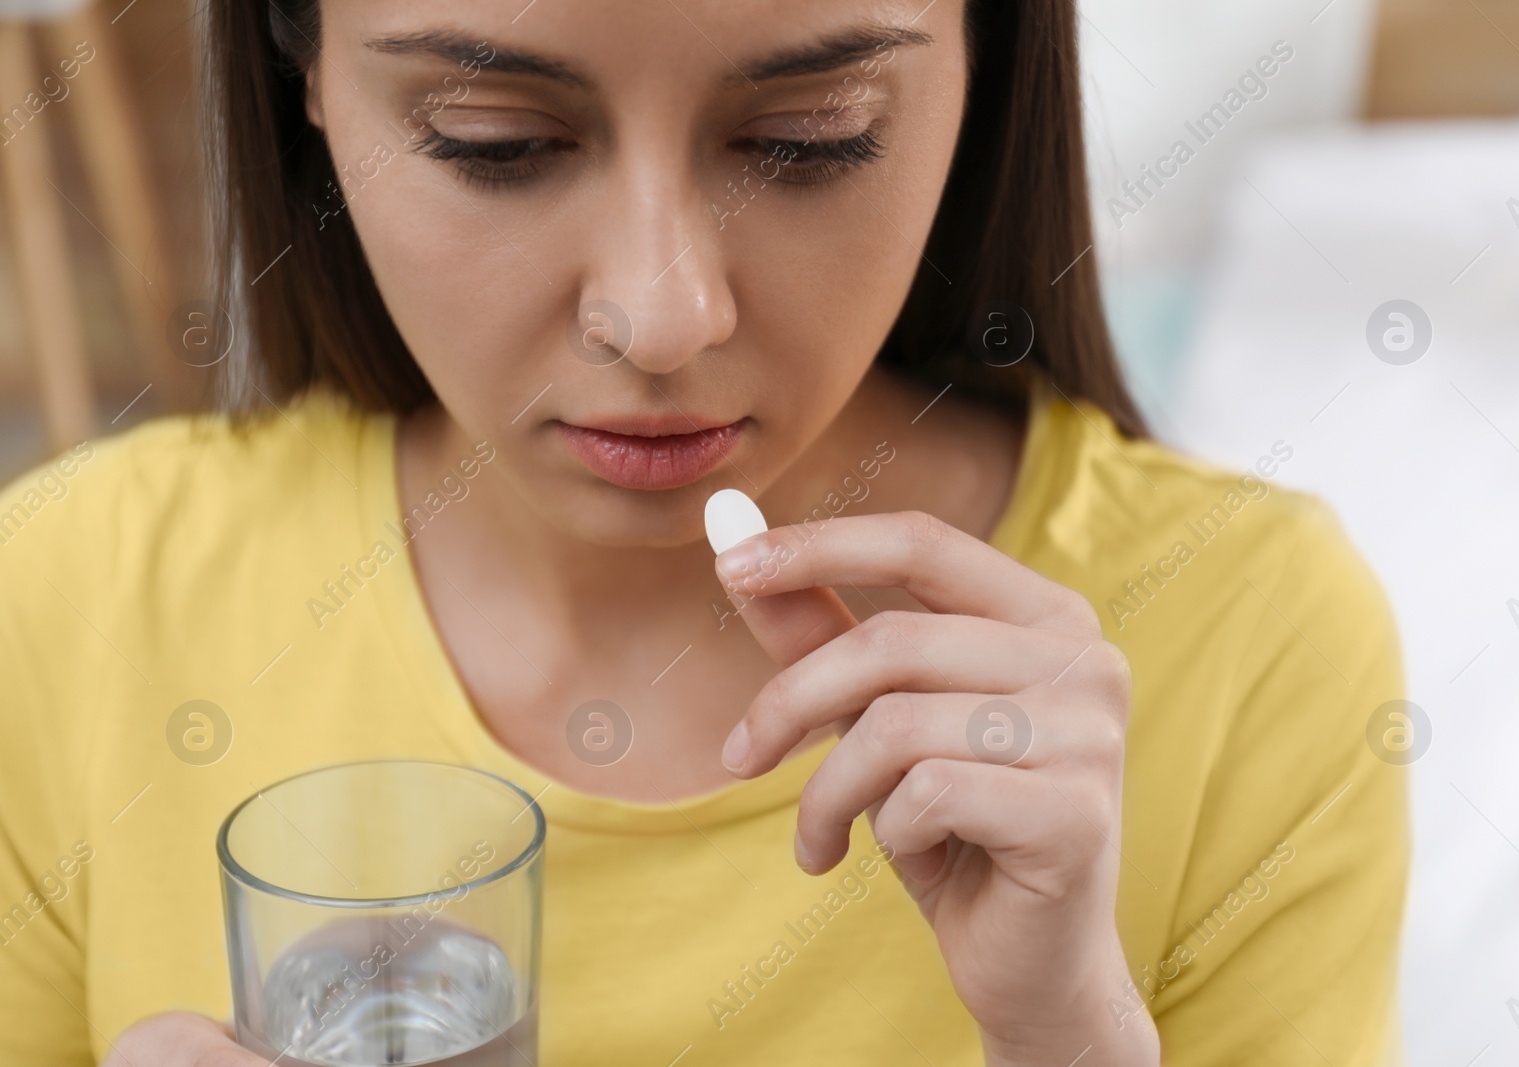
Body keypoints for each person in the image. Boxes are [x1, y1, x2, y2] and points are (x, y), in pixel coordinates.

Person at [0, 0, 1409, 1064]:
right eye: (499, 144)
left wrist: (1072, 1037)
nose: (663, 314)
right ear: (300, 68)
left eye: (810, 141)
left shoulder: (1250, 639)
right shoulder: (62, 609)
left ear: (984, 68)